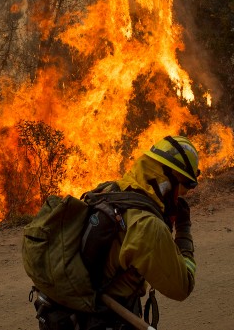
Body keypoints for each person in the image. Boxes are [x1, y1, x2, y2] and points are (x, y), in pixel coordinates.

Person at [80, 135, 200, 329]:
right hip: (108, 320)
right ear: (169, 180)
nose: (180, 198)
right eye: (184, 189)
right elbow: (182, 286)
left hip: (75, 315)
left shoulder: (111, 190)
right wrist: (184, 229)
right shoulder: (148, 226)